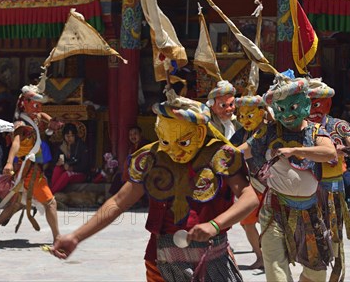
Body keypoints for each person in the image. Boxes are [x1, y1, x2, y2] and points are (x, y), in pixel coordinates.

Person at [51, 91, 259, 281]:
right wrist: (76, 236)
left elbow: (249, 198)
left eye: (184, 142)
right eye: (165, 141)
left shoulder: (221, 155)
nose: (173, 151)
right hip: (160, 261)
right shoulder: (151, 158)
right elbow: (119, 201)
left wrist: (215, 225)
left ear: (202, 131)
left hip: (210, 259)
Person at [236, 73, 337, 282]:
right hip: (275, 210)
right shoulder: (268, 132)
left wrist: (298, 151)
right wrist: (223, 154)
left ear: (306, 105)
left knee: (316, 272)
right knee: (276, 270)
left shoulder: (315, 131)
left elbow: (330, 153)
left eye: (293, 107)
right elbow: (244, 150)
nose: (287, 114)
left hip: (309, 211)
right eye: (281, 110)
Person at [307, 78, 350, 282]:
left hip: (332, 188)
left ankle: (335, 275)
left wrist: (340, 149)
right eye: (307, 103)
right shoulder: (300, 126)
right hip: (306, 188)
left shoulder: (338, 125)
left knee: (334, 237)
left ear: (327, 103)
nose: (311, 109)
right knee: (311, 237)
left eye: (316, 104)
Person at [0, 85, 61, 243]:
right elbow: (16, 143)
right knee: (50, 202)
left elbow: (43, 115)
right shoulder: (21, 125)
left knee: (17, 204)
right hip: (27, 168)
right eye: (34, 104)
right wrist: (8, 163)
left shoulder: (34, 117)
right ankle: (58, 238)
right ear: (24, 104)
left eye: (39, 104)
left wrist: (51, 122)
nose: (38, 107)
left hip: (28, 166)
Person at [231, 94, 268, 270]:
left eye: (250, 115)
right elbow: (228, 148)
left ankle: (272, 257)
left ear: (262, 113)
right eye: (242, 115)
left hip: (270, 185)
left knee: (269, 223)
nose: (245, 119)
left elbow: (243, 151)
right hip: (251, 184)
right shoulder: (242, 133)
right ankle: (260, 256)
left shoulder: (267, 131)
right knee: (247, 222)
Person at [49, 123, 90, 194]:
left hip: (80, 173)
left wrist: (71, 168)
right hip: (65, 169)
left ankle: (51, 194)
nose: (69, 138)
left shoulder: (81, 146)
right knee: (57, 169)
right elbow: (54, 161)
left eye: (72, 136)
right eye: (67, 136)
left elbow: (85, 166)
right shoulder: (62, 146)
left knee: (67, 174)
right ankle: (52, 190)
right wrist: (58, 163)